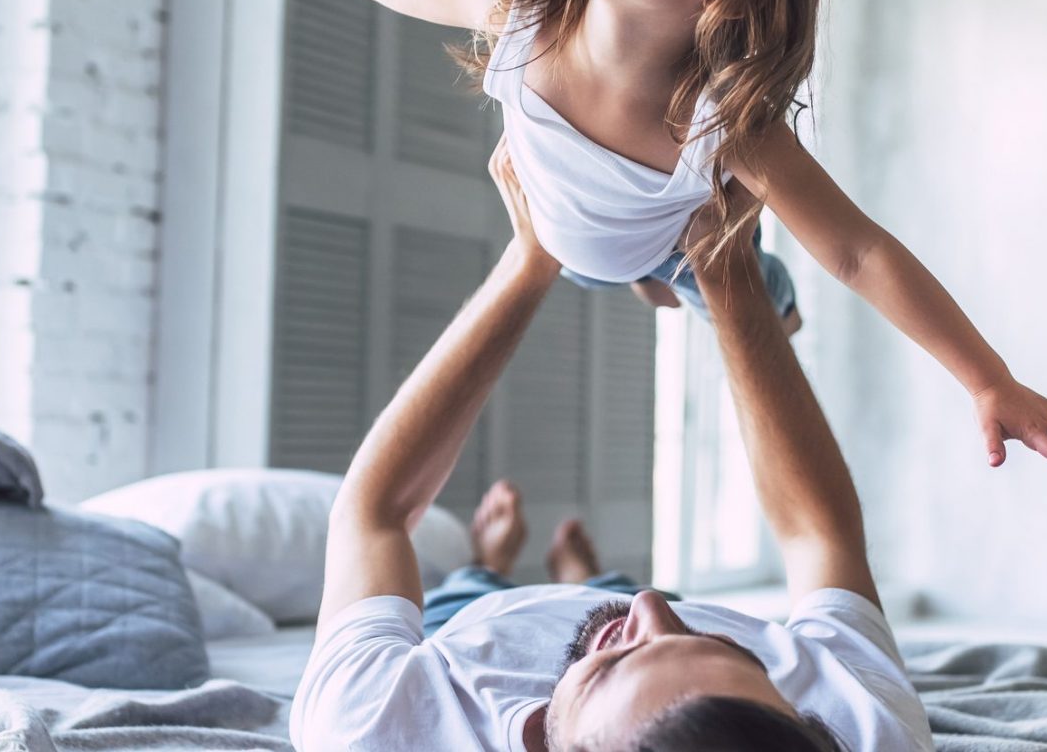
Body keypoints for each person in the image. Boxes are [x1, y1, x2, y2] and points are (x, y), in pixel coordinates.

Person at [207, 0, 1047, 480]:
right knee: (613, 268)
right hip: (564, 227)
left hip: (667, 244)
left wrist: (986, 378)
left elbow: (858, 251)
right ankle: (643, 278)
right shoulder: (517, 10)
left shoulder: (723, 127)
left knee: (733, 281)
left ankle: (718, 286)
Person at [288, 138, 933, 751]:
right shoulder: (862, 728)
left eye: (616, 665)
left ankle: (491, 564)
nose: (649, 606)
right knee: (622, 595)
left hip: (473, 624)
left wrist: (529, 262)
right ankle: (588, 581)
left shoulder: (374, 723)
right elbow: (821, 538)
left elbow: (375, 514)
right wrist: (724, 266)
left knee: (468, 588)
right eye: (727, 653)